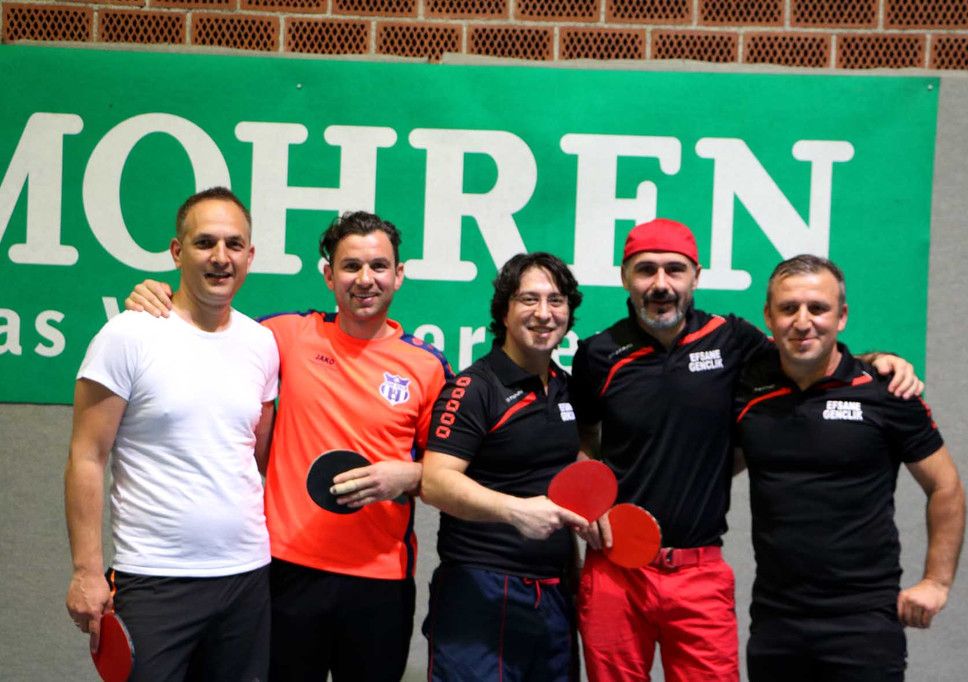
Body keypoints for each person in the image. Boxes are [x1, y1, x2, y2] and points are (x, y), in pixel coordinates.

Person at [569, 218, 924, 682]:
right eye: (645, 270)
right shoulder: (598, 354)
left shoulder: (732, 340)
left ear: (696, 276)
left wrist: (877, 360)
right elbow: (582, 439)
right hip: (615, 569)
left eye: (674, 269)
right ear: (624, 277)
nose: (660, 284)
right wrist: (590, 500)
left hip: (698, 572)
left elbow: (809, 352)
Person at [125, 211, 451, 682]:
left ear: (398, 274)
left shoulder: (428, 366)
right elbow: (205, 321)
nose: (365, 279)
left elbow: (450, 475)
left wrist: (410, 475)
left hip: (380, 580)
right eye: (350, 266)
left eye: (379, 266)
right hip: (285, 571)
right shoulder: (284, 336)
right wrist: (156, 294)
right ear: (329, 276)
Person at [65, 187, 279, 681]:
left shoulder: (262, 343)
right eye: (205, 243)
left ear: (250, 255)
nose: (221, 257)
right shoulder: (128, 335)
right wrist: (86, 571)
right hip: (153, 579)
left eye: (233, 244)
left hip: (246, 579)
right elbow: (86, 457)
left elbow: (258, 455)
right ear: (177, 252)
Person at [733, 254, 965, 681]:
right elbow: (705, 463)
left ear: (841, 317)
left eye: (818, 308)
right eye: (789, 308)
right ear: (768, 317)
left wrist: (936, 581)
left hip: (864, 621)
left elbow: (945, 486)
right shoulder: (748, 389)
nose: (803, 321)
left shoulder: (888, 391)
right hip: (775, 622)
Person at [419, 253, 589, 681]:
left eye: (555, 300)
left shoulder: (566, 389)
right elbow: (436, 481)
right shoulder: (475, 387)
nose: (544, 313)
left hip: (553, 597)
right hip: (481, 592)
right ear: (504, 311)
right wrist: (515, 511)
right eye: (529, 299)